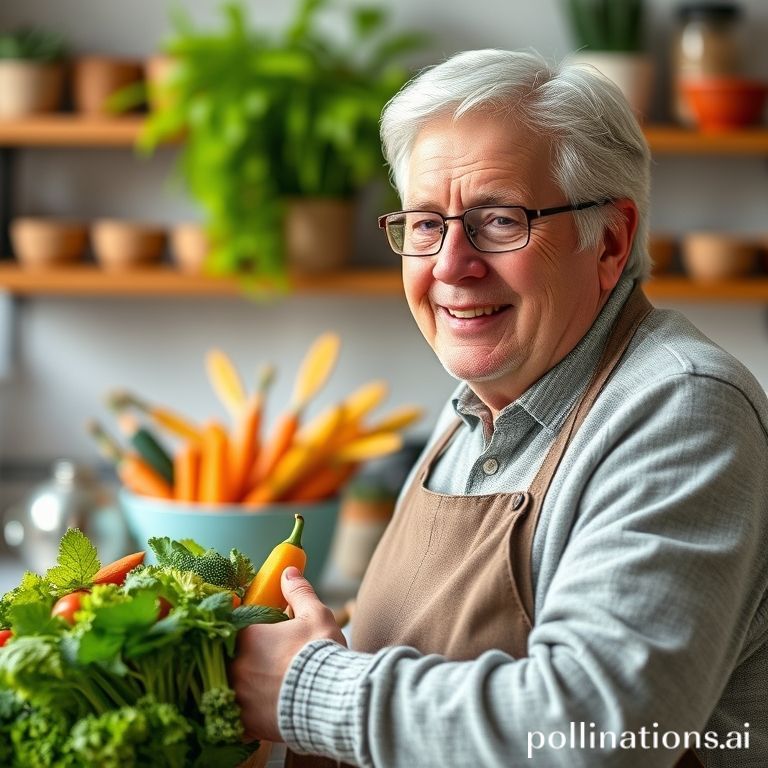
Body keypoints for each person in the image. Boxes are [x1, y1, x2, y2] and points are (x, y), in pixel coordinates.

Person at [230, 49, 768, 767]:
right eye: (425, 224)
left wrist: (306, 689)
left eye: (499, 219)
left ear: (609, 239)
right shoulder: (475, 414)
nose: (451, 264)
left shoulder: (683, 408)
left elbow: (597, 729)